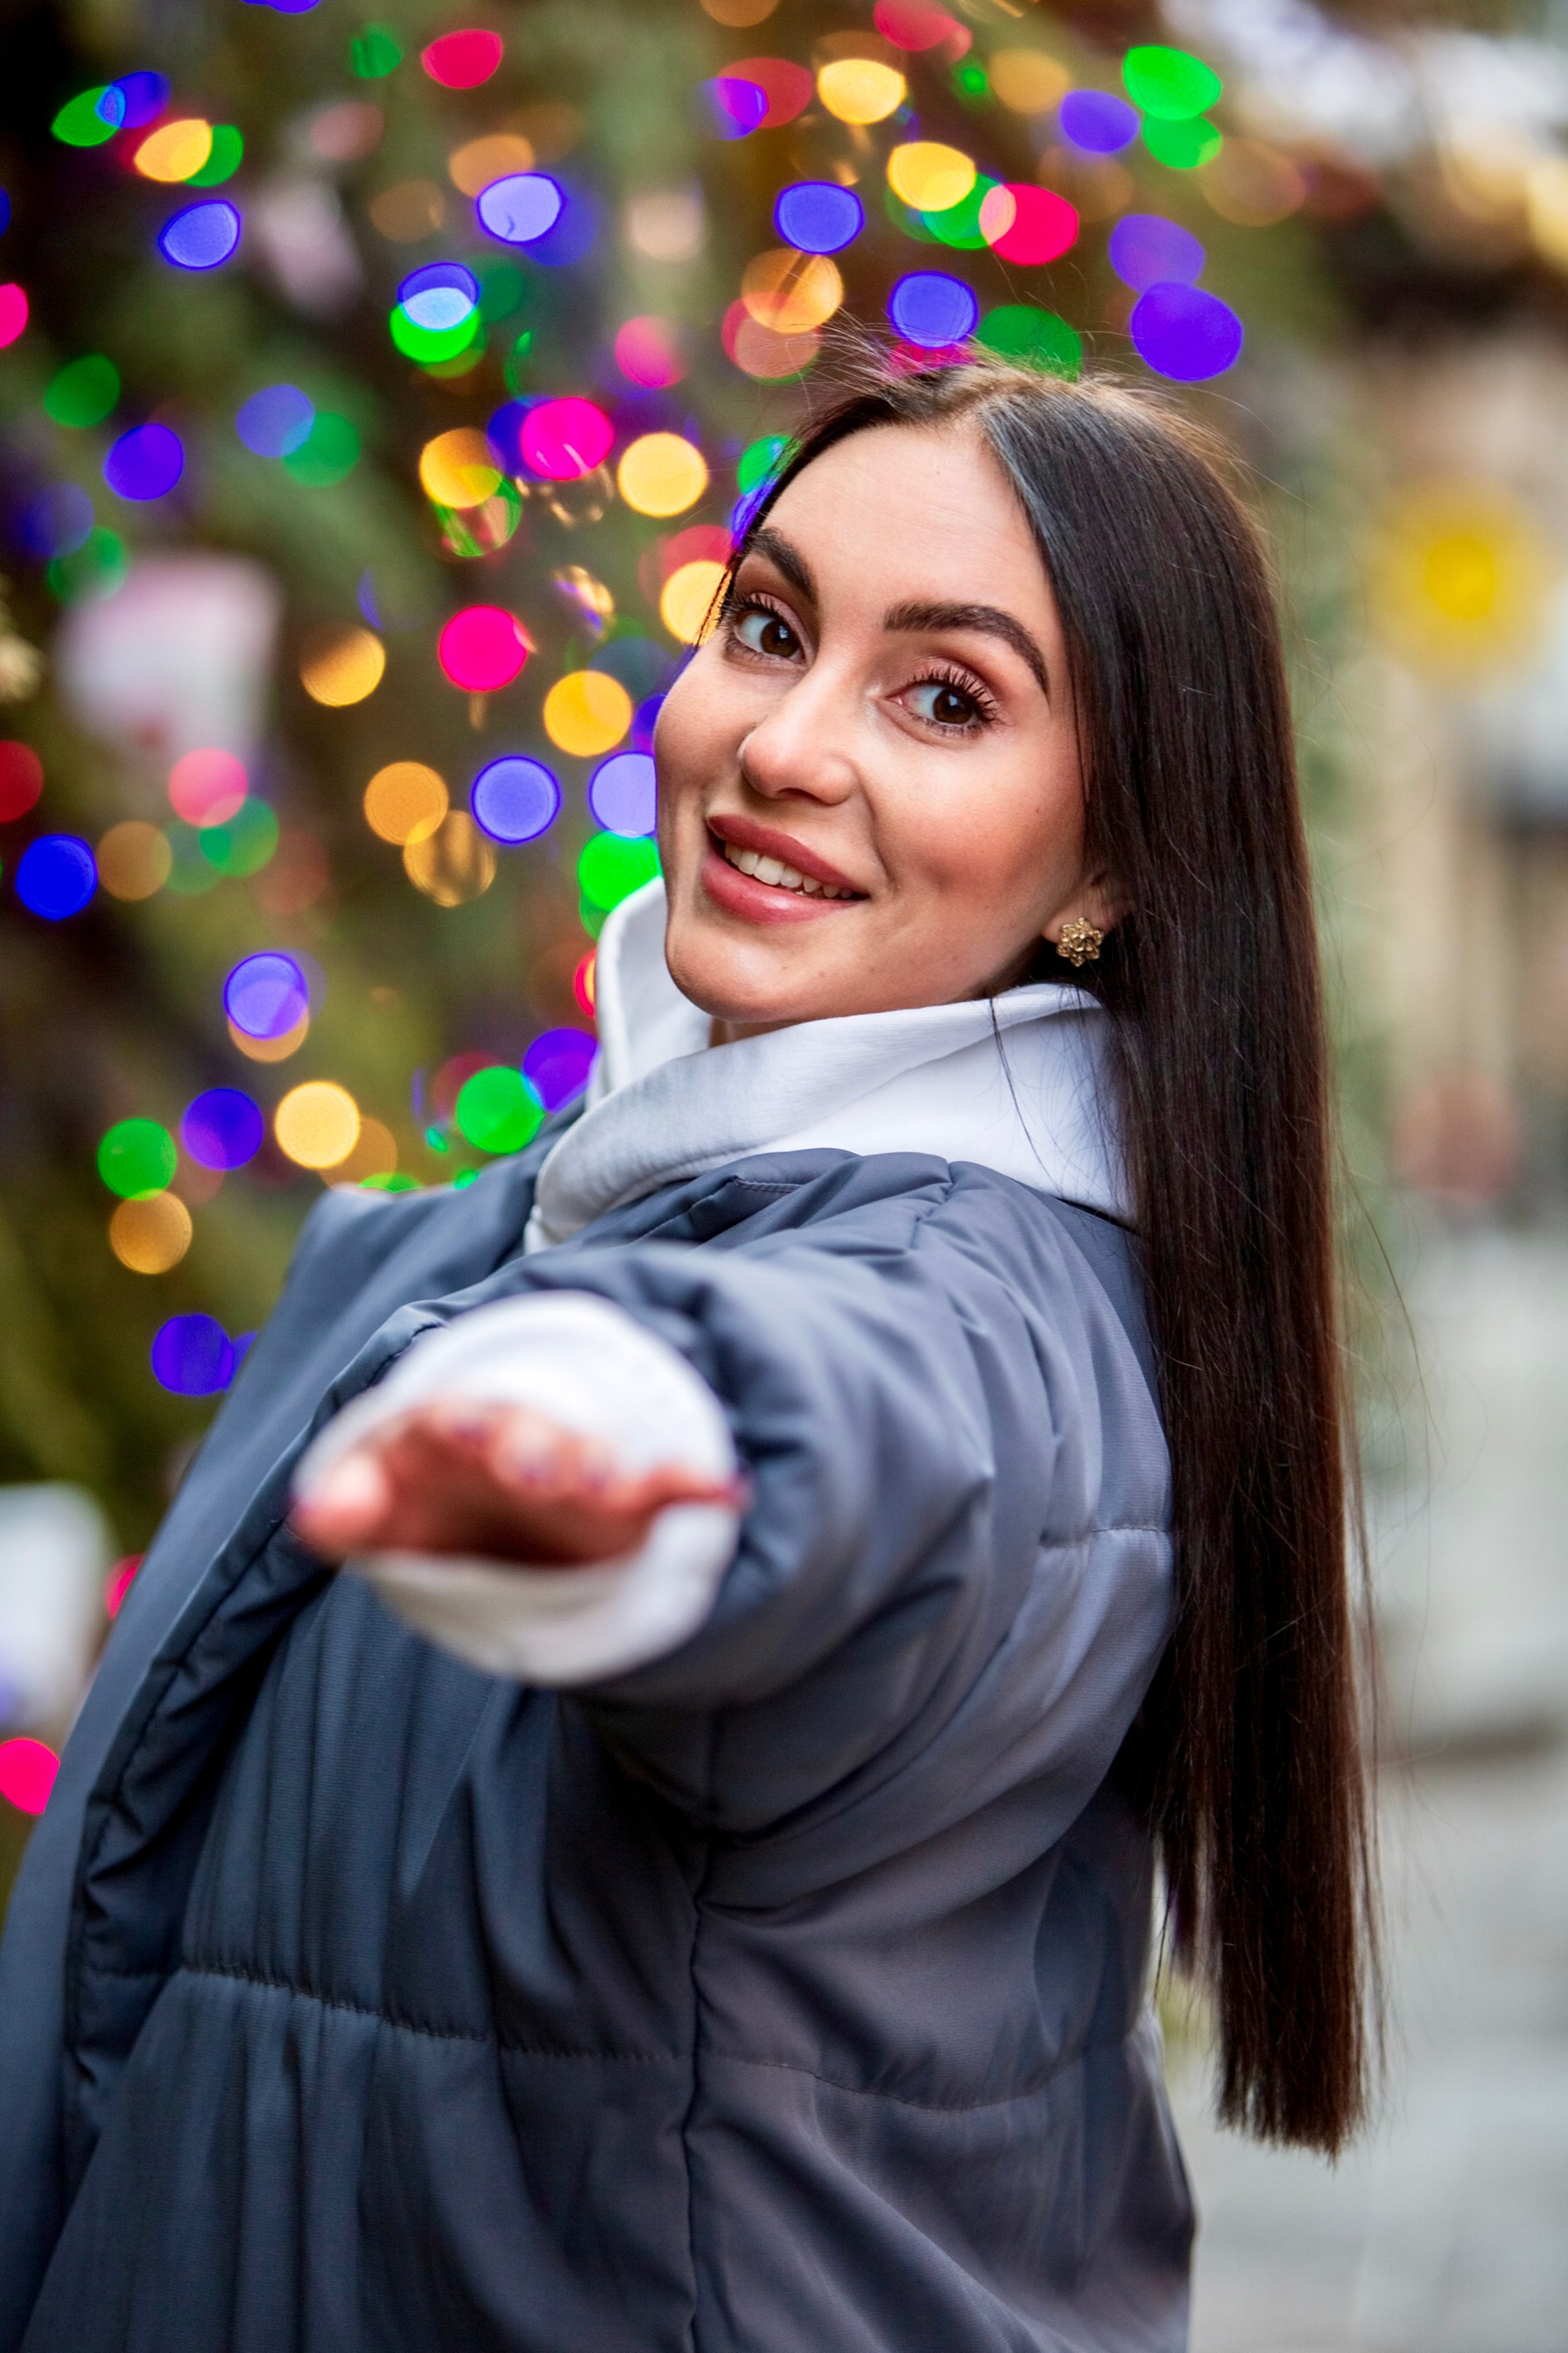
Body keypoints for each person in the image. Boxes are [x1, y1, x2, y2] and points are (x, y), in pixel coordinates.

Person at [0, 352, 1373, 2353]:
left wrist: (619, 1449)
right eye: (769, 625)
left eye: (946, 695)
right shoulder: (537, 1209)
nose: (785, 741)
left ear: (1112, 868)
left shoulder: (989, 1316)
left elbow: (833, 1428)